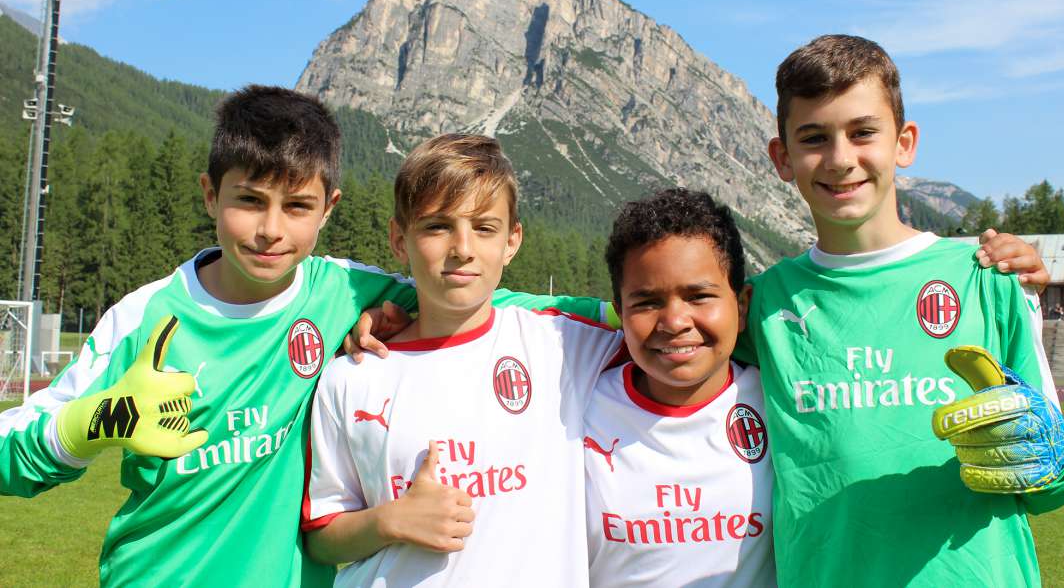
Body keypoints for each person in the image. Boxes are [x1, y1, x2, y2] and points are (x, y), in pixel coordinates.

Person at [0, 88, 610, 587]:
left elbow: (473, 293)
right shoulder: (144, 321)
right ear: (211, 195)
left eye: (296, 206)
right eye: (248, 201)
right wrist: (90, 423)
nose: (270, 230)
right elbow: (13, 453)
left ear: (328, 208)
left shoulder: (345, 293)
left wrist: (639, 311)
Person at [736, 34, 1064, 586]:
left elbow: (1061, 477)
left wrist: (1038, 457)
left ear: (904, 141)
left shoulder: (988, 277)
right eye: (814, 137)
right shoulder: (764, 304)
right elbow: (643, 321)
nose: (841, 158)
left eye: (863, 132)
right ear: (782, 157)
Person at [302, 133, 626, 586]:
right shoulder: (350, 376)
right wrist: (391, 520)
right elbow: (322, 534)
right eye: (437, 226)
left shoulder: (563, 346)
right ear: (400, 239)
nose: (462, 248)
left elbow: (681, 331)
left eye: (484, 228)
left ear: (512, 241)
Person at [585, 188, 775, 587]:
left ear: (741, 305)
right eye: (647, 302)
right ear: (620, 312)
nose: (674, 321)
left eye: (699, 296)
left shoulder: (779, 405)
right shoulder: (577, 407)